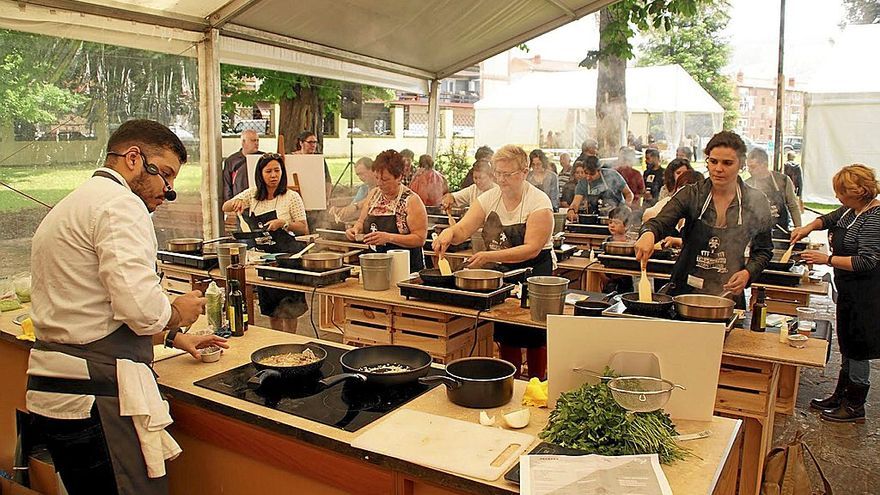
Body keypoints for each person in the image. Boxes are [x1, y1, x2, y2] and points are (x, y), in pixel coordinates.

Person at [26, 119, 228, 495]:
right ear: (133, 158)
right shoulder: (121, 204)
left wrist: (174, 338)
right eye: (165, 175)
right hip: (97, 401)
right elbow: (140, 308)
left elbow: (93, 309)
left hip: (56, 393)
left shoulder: (73, 203)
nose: (168, 192)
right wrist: (177, 312)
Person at [433, 145, 554, 379]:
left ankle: (536, 383)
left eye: (507, 174)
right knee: (506, 330)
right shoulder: (490, 197)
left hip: (534, 272)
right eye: (497, 173)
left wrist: (488, 256)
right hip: (501, 271)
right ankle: (509, 379)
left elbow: (531, 249)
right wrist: (449, 234)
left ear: (524, 172)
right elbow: (464, 228)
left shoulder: (539, 202)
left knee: (534, 333)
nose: (501, 179)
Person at [634, 131, 773, 305]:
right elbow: (660, 222)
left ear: (741, 164)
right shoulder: (691, 194)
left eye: (727, 163)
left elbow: (764, 250)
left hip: (728, 294)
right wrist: (648, 233)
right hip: (684, 290)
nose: (718, 169)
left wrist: (748, 273)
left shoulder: (756, 201)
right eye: (713, 161)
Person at [790, 164, 880, 423]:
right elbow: (828, 219)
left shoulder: (873, 217)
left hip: (867, 294)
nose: (837, 197)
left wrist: (827, 259)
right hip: (849, 290)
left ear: (858, 192)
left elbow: (867, 261)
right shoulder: (852, 211)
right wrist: (807, 228)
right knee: (847, 342)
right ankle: (840, 394)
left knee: (859, 347)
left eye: (841, 192)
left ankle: (855, 405)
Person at [223, 153, 310, 332]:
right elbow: (225, 207)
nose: (273, 175)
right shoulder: (252, 195)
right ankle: (276, 341)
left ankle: (290, 341)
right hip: (265, 259)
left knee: (290, 310)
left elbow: (304, 228)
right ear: (260, 174)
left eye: (277, 170)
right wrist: (236, 202)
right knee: (272, 309)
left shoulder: (291, 197)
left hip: (288, 259)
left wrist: (284, 224)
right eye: (268, 171)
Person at [346, 150, 428, 273]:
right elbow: (361, 221)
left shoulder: (411, 201)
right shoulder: (374, 194)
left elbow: (419, 239)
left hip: (406, 269)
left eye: (385, 179)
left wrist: (389, 238)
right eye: (377, 178)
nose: (379, 183)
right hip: (376, 265)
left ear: (399, 177)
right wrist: (355, 229)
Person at [745, 147, 802, 229]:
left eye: (753, 167)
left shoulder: (783, 181)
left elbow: (793, 206)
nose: (749, 170)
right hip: (756, 232)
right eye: (748, 167)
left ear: (764, 165)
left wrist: (798, 228)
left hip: (781, 231)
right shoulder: (747, 184)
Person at [566, 156, 634, 219]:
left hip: (616, 217)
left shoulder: (612, 175)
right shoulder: (582, 183)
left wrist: (625, 208)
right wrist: (571, 210)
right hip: (594, 217)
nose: (588, 177)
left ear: (599, 170)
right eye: (586, 173)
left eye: (592, 174)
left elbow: (629, 194)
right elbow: (575, 202)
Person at [329, 157, 376, 223]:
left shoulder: (383, 187)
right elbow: (352, 207)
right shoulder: (363, 188)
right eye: (358, 175)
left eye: (362, 174)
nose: (360, 178)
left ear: (373, 170)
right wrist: (339, 211)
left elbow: (373, 200)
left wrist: (356, 206)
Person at [293, 130, 332, 203]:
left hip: (315, 197)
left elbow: (327, 180)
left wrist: (326, 198)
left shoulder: (319, 159)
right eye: (310, 142)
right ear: (301, 143)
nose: (313, 145)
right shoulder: (292, 158)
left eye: (315, 142)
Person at [222, 129, 261, 202]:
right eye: (253, 141)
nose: (256, 143)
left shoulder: (263, 158)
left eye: (257, 140)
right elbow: (227, 185)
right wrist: (230, 205)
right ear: (243, 142)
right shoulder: (232, 161)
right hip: (239, 202)